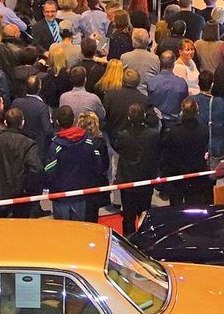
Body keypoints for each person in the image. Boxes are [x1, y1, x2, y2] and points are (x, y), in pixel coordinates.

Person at [45, 106, 105, 221]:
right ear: (73, 120)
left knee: (62, 231)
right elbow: (98, 165)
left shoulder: (55, 146)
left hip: (60, 195)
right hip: (81, 193)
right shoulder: (88, 141)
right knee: (79, 229)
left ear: (57, 122)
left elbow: (49, 171)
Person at [0, 108, 42, 218]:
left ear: (5, 122)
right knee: (20, 230)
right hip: (21, 197)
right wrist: (27, 189)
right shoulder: (28, 143)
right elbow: (36, 170)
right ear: (22, 123)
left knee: (1, 229)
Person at [114, 104, 160, 235]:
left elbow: (118, 148)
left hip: (128, 181)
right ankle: (144, 240)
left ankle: (128, 241)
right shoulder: (153, 135)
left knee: (128, 216)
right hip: (146, 180)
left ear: (129, 118)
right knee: (144, 214)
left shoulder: (123, 135)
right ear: (144, 116)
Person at [159, 98, 212, 205]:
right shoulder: (204, 130)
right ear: (197, 111)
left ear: (182, 111)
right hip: (196, 175)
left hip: (177, 175)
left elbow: (166, 152)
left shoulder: (173, 132)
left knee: (175, 207)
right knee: (194, 207)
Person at [146, 50, 189, 127]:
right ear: (173, 64)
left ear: (160, 63)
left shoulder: (151, 82)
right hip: (175, 124)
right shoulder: (181, 83)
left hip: (156, 123)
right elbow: (185, 105)